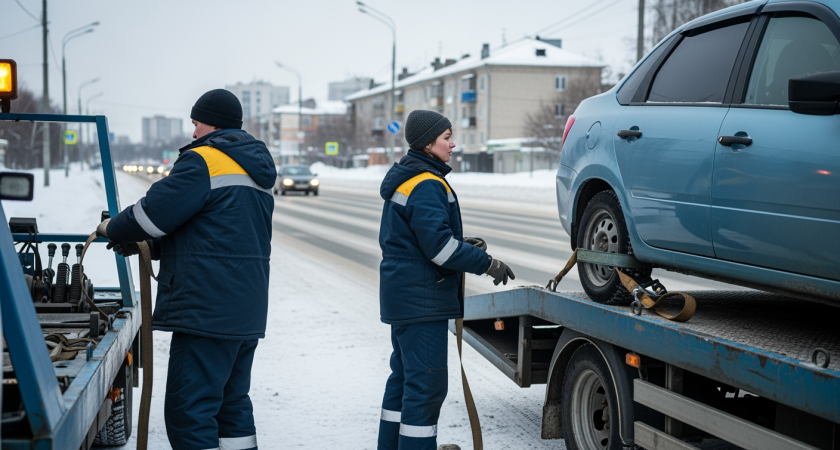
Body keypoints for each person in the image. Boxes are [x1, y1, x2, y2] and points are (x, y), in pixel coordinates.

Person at [96, 89, 276, 450]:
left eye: (195, 123)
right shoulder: (256, 167)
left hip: (207, 307)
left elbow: (153, 213)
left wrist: (112, 228)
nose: (193, 132)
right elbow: (213, 231)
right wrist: (156, 246)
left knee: (189, 410)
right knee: (231, 404)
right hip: (245, 307)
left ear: (211, 123)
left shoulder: (206, 160)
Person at [377, 109, 515, 450]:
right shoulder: (427, 183)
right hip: (422, 299)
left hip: (407, 297)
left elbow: (421, 239)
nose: (453, 144)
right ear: (427, 143)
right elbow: (439, 250)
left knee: (405, 381)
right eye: (446, 137)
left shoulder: (410, 176)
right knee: (426, 388)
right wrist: (486, 263)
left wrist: (461, 245)